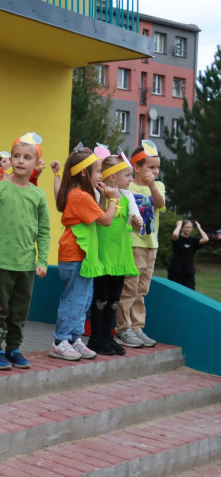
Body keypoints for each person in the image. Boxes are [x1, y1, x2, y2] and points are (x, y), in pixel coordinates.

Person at [0, 133, 51, 371]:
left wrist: (42, 260)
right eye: (16, 156)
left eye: (27, 157)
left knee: (19, 310)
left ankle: (14, 348)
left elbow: (44, 231)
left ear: (37, 164)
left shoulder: (38, 195)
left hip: (26, 264)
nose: (20, 161)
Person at [51, 145, 116, 362]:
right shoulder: (80, 196)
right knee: (75, 299)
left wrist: (103, 197)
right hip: (75, 255)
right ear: (83, 173)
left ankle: (74, 338)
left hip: (80, 256)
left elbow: (97, 212)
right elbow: (106, 220)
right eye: (97, 171)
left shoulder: (78, 194)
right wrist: (113, 198)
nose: (100, 175)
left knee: (84, 299)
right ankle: (60, 340)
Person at [86, 153, 143, 356]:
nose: (130, 179)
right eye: (127, 175)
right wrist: (105, 197)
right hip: (103, 255)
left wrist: (137, 224)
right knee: (100, 298)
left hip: (120, 255)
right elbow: (97, 216)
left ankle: (108, 336)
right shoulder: (97, 193)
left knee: (114, 299)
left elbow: (135, 224)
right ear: (112, 177)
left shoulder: (127, 197)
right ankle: (96, 337)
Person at [116, 140, 165, 348]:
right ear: (136, 167)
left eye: (157, 168)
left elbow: (160, 204)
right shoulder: (128, 186)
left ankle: (137, 327)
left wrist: (152, 184)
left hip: (150, 245)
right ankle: (123, 328)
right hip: (133, 243)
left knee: (142, 290)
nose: (155, 172)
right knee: (129, 287)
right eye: (151, 167)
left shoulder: (158, 186)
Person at [168, 220, 209, 289]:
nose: (188, 229)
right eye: (186, 227)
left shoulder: (193, 241)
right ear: (182, 228)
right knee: (174, 293)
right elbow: (175, 234)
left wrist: (199, 228)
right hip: (175, 272)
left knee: (190, 293)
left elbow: (206, 239)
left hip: (189, 272)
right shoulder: (178, 239)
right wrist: (178, 225)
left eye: (190, 227)